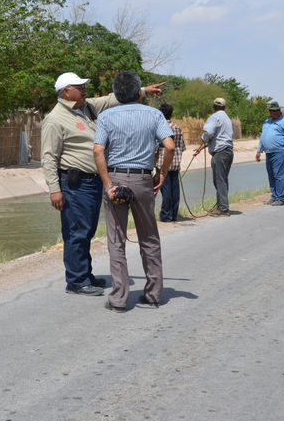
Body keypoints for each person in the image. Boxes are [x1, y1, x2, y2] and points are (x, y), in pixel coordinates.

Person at [41, 71, 163, 296]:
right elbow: (48, 157)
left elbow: (111, 99)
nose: (84, 90)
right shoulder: (55, 119)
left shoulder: (86, 107)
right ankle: (77, 281)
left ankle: (85, 274)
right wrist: (54, 190)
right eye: (80, 87)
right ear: (66, 92)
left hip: (93, 180)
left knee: (87, 229)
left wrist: (142, 91)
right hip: (75, 182)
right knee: (76, 231)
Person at [92, 70, 175, 313]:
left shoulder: (105, 116)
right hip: (143, 180)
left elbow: (98, 151)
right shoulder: (154, 114)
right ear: (139, 92)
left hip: (116, 179)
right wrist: (162, 173)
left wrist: (107, 184)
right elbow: (169, 146)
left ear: (116, 94)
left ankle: (118, 299)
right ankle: (153, 294)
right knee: (149, 238)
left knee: (116, 241)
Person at [193, 97, 234, 216]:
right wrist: (200, 148)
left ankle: (223, 208)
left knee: (219, 180)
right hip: (228, 151)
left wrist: (203, 139)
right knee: (223, 179)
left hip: (219, 153)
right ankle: (221, 205)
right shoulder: (227, 118)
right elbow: (220, 137)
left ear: (214, 107)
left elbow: (209, 133)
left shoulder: (214, 117)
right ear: (224, 107)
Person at [256, 101, 284, 206]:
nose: (275, 112)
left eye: (277, 110)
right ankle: (274, 196)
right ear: (270, 111)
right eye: (273, 111)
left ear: (280, 110)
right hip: (268, 152)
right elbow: (263, 136)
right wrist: (259, 150)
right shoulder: (266, 122)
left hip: (280, 152)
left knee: (280, 175)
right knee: (271, 175)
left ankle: (280, 198)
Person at [155, 103, 186, 222]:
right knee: (174, 189)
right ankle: (174, 215)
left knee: (165, 189)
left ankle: (166, 215)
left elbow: (156, 147)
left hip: (163, 163)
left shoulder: (160, 128)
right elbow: (182, 147)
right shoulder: (177, 128)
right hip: (175, 162)